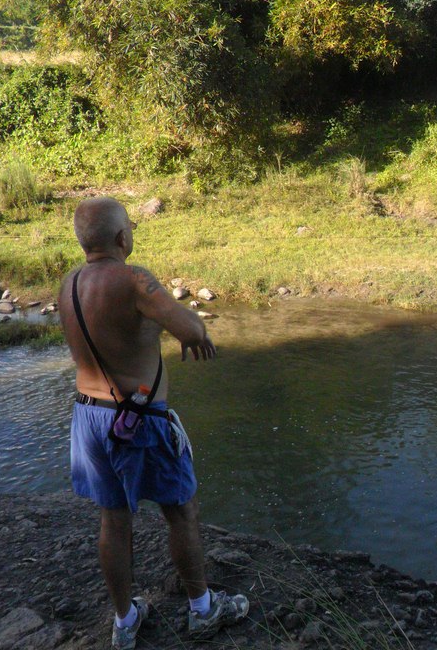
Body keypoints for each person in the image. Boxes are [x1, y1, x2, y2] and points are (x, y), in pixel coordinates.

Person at [59, 196, 249, 650]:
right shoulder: (133, 279)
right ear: (122, 237)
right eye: (130, 228)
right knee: (180, 511)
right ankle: (203, 609)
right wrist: (186, 331)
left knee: (114, 519)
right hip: (137, 417)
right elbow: (193, 330)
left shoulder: (68, 283)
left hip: (88, 416)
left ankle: (125, 621)